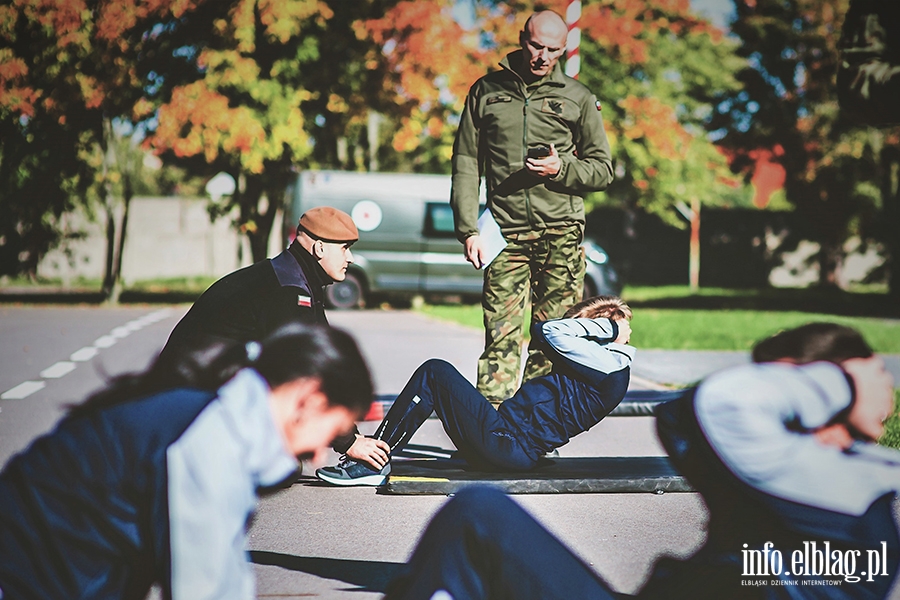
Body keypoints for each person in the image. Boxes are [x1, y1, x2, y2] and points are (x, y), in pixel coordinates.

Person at [383, 323, 899, 599]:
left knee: (476, 515)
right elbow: (687, 415)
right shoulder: (796, 475)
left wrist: (850, 379)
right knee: (478, 516)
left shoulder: (847, 494)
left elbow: (702, 409)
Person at [0, 323, 373, 600]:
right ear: (308, 400)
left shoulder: (221, 415)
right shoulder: (211, 442)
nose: (322, 453)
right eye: (333, 429)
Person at [450, 10, 615, 407]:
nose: (542, 56)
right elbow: (466, 161)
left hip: (561, 231)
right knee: (500, 334)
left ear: (563, 49)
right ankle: (489, 426)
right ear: (523, 40)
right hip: (504, 234)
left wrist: (561, 169)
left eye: (553, 50)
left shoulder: (577, 97)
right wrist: (468, 229)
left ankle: (532, 424)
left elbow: (603, 169)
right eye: (536, 46)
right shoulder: (486, 91)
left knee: (551, 336)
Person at [158, 205, 388, 470]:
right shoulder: (287, 290)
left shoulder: (293, 278)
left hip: (203, 394)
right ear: (321, 248)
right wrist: (348, 442)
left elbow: (327, 358)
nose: (351, 258)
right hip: (187, 407)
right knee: (282, 465)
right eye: (345, 248)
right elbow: (304, 374)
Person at [315, 295, 633, 486]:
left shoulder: (608, 365)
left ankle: (373, 461)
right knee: (439, 383)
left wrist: (611, 327)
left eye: (581, 326)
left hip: (506, 445)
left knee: (434, 372)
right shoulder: (605, 369)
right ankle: (375, 457)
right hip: (508, 446)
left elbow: (545, 330)